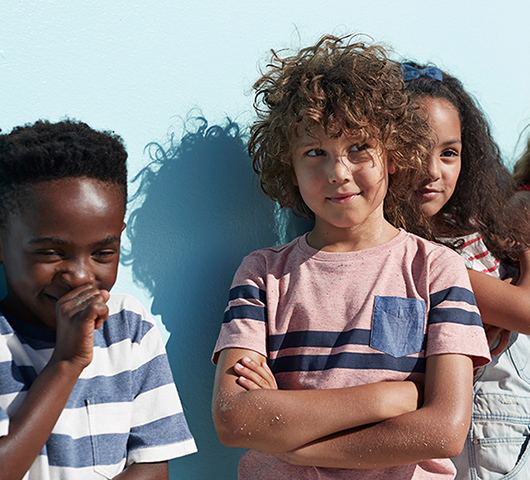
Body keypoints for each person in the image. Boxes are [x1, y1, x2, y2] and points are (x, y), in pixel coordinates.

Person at [211, 35, 490, 480]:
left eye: (359, 147)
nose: (338, 172)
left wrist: (297, 443)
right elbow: (235, 418)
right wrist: (385, 399)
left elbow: (444, 430)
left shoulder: (435, 269)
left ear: (394, 154)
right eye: (315, 152)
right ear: (290, 165)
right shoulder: (264, 273)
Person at [0, 120, 197, 480]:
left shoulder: (128, 327)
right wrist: (67, 363)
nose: (79, 275)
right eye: (51, 252)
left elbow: (152, 468)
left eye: (103, 253)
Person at [402, 62, 530, 479]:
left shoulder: (471, 229)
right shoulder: (420, 255)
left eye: (449, 153)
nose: (433, 171)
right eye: (413, 149)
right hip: (486, 440)